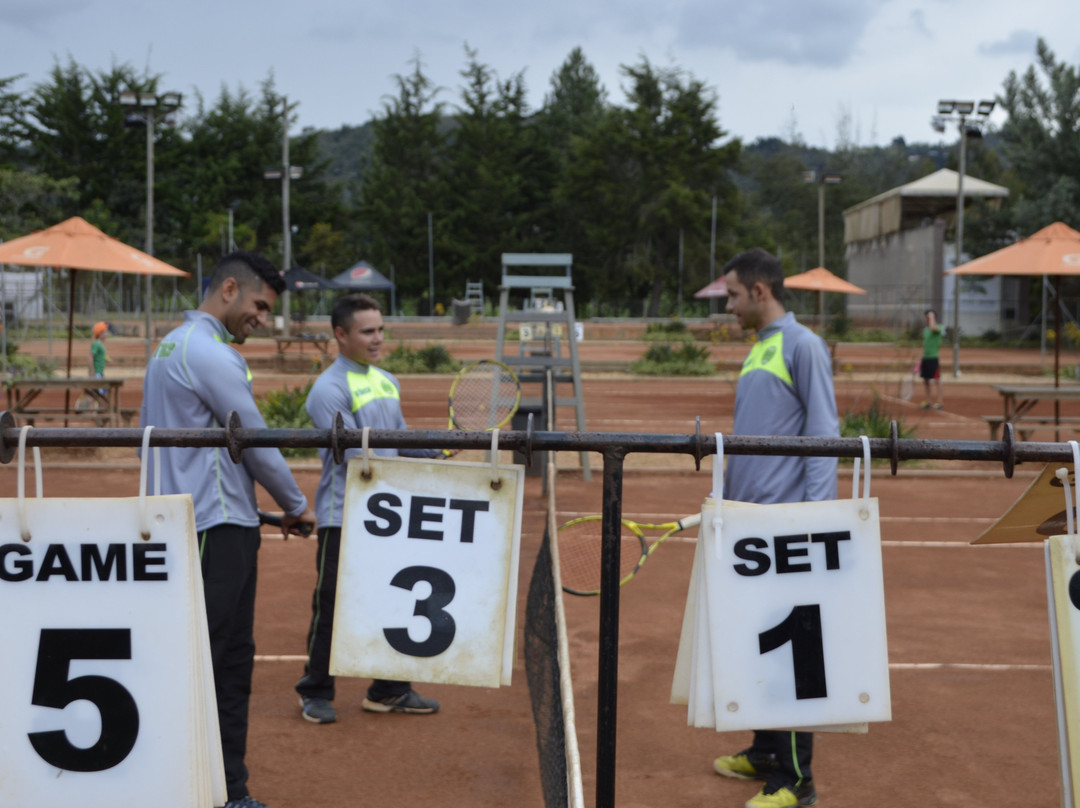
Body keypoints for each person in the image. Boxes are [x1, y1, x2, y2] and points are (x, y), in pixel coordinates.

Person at [140, 250, 317, 808]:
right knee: (222, 664)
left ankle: (217, 788)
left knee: (208, 661)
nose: (263, 318)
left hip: (189, 524)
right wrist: (295, 504)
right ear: (229, 289)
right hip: (217, 528)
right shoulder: (211, 353)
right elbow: (256, 439)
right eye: (260, 306)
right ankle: (217, 792)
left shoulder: (170, 344)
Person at [712, 248, 839, 808]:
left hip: (786, 525)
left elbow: (825, 433)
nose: (729, 305)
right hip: (749, 524)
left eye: (734, 295)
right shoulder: (761, 348)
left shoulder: (802, 345)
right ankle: (766, 751)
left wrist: (814, 518)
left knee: (792, 653)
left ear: (760, 291)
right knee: (759, 644)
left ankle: (795, 780)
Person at [296, 292, 441, 724]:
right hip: (344, 515)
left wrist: (429, 452)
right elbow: (353, 457)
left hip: (389, 516)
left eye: (380, 330)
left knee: (394, 600)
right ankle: (314, 691)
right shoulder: (328, 389)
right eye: (367, 331)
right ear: (340, 335)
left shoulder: (387, 380)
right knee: (333, 604)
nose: (377, 339)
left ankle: (389, 690)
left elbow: (398, 439)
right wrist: (406, 451)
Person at [920, 309, 944, 410]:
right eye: (926, 317)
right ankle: (928, 402)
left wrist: (932, 316)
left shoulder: (938, 327)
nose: (927, 319)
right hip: (925, 358)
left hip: (933, 358)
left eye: (928, 318)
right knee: (926, 380)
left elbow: (933, 327)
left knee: (937, 380)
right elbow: (925, 346)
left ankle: (939, 402)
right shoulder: (925, 330)